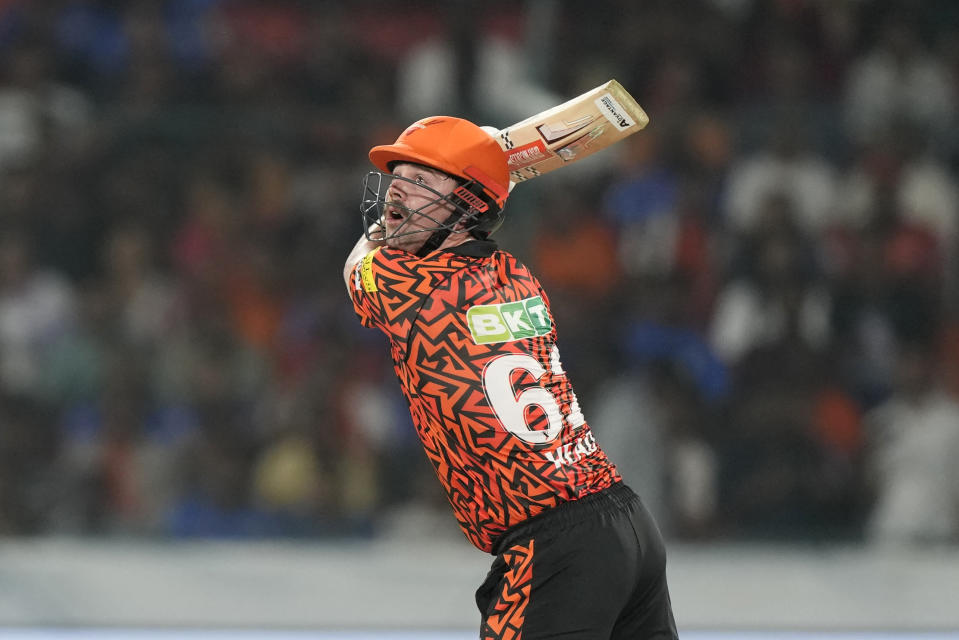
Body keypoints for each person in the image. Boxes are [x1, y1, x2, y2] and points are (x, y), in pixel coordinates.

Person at [343, 115, 679, 639]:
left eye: (423, 180)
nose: (398, 192)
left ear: (467, 207)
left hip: (552, 548)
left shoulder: (405, 285)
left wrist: (380, 232)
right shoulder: (518, 276)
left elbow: (355, 270)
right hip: (627, 525)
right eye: (398, 176)